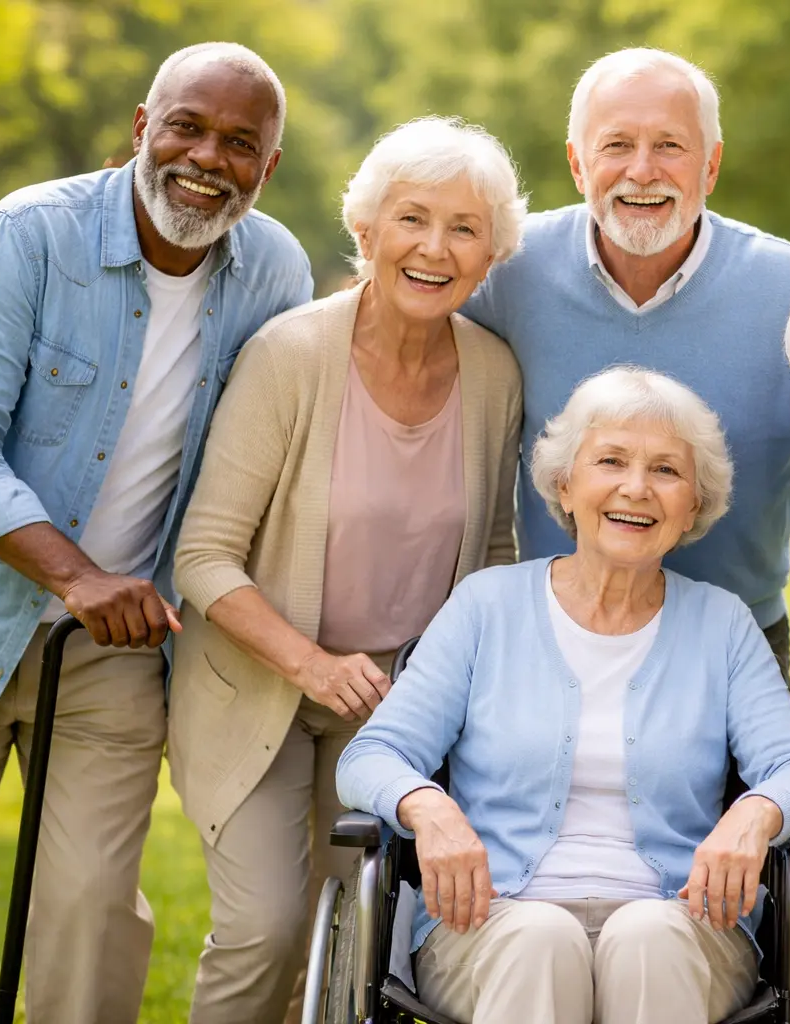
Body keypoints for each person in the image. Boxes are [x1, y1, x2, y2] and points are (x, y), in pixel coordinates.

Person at [0, 42, 310, 1024]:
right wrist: (77, 574)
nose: (207, 157)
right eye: (186, 126)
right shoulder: (30, 234)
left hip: (117, 649)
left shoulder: (276, 274)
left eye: (239, 143)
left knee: (88, 914)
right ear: (141, 126)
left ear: (269, 167)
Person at [337, 367, 790, 1024]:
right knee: (539, 939)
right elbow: (372, 755)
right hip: (491, 925)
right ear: (565, 485)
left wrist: (755, 815)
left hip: (682, 927)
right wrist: (429, 809)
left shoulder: (721, 624)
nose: (636, 488)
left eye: (666, 470)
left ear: (694, 504)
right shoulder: (487, 607)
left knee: (647, 938)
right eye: (611, 461)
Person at [167, 116, 525, 1024]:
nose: (434, 248)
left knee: (366, 947)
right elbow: (204, 554)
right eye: (411, 219)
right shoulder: (290, 355)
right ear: (366, 231)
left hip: (395, 711)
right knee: (268, 929)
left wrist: (455, 691)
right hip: (260, 690)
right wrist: (312, 665)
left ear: (492, 254)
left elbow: (489, 553)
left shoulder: (494, 374)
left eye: (464, 228)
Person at [460, 47, 790, 680]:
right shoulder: (508, 274)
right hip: (556, 638)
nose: (641, 171)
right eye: (616, 146)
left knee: (772, 784)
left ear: (711, 166)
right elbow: (395, 330)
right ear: (578, 164)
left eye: (669, 146)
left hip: (736, 645)